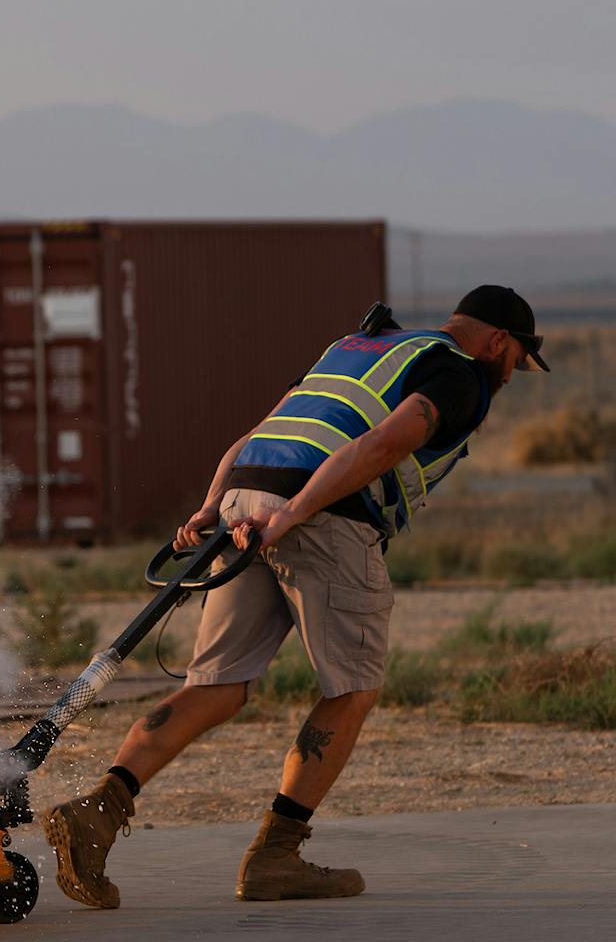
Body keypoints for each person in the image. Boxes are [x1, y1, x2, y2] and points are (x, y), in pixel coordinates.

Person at [42, 286, 549, 908]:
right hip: (321, 515)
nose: (511, 375)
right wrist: (298, 512)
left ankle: (98, 812)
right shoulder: (460, 374)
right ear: (499, 341)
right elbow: (385, 444)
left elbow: (261, 430)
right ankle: (275, 858)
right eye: (516, 361)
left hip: (244, 498)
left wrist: (212, 505)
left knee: (215, 686)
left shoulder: (356, 347)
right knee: (353, 688)